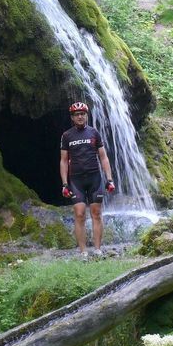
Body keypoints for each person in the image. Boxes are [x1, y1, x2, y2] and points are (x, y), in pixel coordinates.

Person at [60, 102, 115, 259]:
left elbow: (103, 157)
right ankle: (83, 251)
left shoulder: (94, 133)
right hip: (76, 180)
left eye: (83, 114)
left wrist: (109, 179)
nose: (80, 116)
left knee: (96, 213)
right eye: (77, 114)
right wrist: (64, 184)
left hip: (94, 178)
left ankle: (97, 249)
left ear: (86, 116)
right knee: (79, 213)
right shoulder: (67, 136)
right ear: (72, 117)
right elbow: (63, 161)